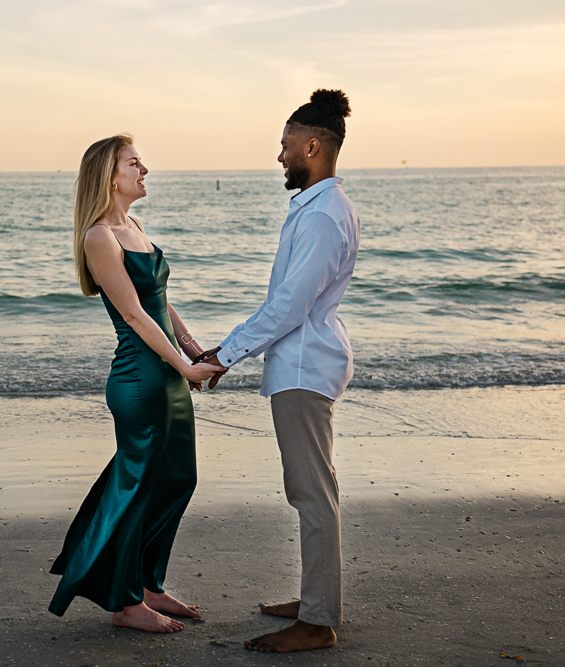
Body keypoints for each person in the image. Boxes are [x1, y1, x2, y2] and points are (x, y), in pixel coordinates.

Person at [204, 89, 360, 652]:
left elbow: (290, 307)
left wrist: (223, 356)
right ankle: (316, 598)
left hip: (303, 368)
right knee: (315, 489)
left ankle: (318, 622)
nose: (280, 157)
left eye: (286, 145)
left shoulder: (322, 216)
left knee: (311, 493)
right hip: (304, 363)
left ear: (313, 146)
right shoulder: (319, 209)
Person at [48, 134, 224, 633]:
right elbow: (134, 315)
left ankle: (148, 583)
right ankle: (124, 604)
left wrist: (193, 351)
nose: (145, 169)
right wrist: (185, 369)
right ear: (110, 175)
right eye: (134, 163)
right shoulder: (99, 236)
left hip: (167, 369)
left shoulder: (135, 226)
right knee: (138, 487)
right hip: (138, 379)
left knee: (176, 479)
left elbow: (161, 303)